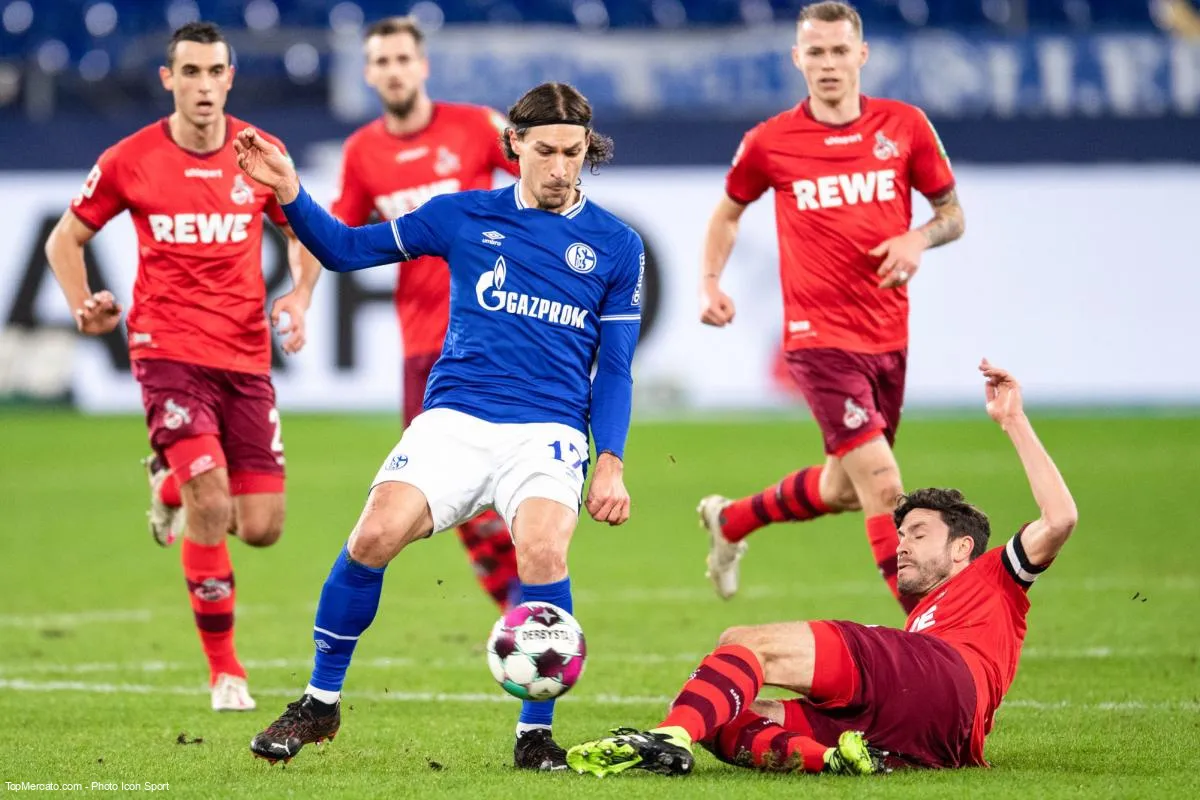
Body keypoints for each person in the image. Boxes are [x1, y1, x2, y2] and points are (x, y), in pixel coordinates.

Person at [234, 81, 645, 771]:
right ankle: (319, 702)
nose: (560, 168)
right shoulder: (460, 216)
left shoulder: (615, 243)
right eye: (545, 151)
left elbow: (617, 370)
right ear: (515, 144)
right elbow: (342, 249)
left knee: (543, 552)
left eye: (573, 153)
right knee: (372, 535)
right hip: (454, 418)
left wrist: (612, 460)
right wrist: (289, 190)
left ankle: (534, 735)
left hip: (547, 434)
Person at [568, 360, 1078, 777]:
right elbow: (879, 519)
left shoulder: (994, 578)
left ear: (964, 548)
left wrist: (1013, 420)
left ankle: (666, 736)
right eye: (902, 535)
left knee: (745, 643)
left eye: (919, 534)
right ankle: (836, 760)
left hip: (945, 680)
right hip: (929, 741)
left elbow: (1060, 519)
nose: (902, 544)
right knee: (723, 720)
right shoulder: (924, 610)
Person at [44, 22, 321, 711]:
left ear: (230, 77)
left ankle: (169, 484)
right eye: (188, 72)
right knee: (213, 501)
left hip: (246, 359)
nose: (202, 85)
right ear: (168, 79)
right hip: (167, 354)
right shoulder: (131, 159)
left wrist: (301, 294)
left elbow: (304, 231)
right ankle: (226, 672)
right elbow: (65, 238)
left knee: (261, 527)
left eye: (214, 72)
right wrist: (84, 305)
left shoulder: (262, 153)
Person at [696, 0, 965, 611]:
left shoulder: (906, 127)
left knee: (842, 488)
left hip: (887, 337)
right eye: (814, 52)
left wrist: (917, 236)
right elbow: (728, 211)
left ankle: (732, 521)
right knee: (885, 485)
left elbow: (953, 215)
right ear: (797, 59)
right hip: (817, 340)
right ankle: (937, 640)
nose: (828, 63)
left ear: (862, 55)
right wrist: (710, 281)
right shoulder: (771, 141)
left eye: (840, 50)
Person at [332, 16, 523, 611]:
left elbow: (545, 187)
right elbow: (341, 236)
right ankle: (521, 606)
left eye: (402, 59)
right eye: (382, 62)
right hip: (424, 345)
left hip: (498, 329)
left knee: (523, 470)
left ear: (423, 66)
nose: (393, 70)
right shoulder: (362, 151)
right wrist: (299, 291)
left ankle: (528, 604)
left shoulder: (476, 126)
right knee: (444, 482)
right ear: (369, 74)